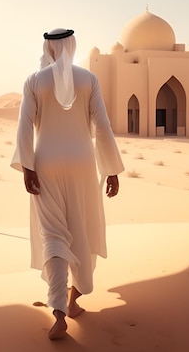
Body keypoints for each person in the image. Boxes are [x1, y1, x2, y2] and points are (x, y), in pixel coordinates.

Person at [11, 28, 124, 340]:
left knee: (54, 234)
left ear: (48, 47)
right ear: (72, 46)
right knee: (81, 230)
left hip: (46, 163)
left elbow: (24, 126)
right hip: (83, 164)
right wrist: (111, 168)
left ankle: (59, 312)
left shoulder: (35, 80)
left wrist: (26, 166)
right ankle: (73, 300)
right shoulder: (88, 79)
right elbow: (102, 125)